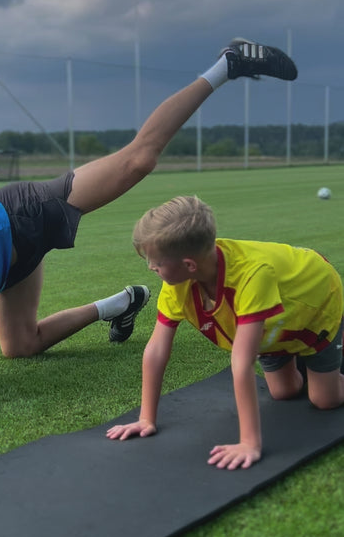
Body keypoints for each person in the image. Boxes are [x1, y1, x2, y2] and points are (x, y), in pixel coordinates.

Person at [0, 38, 297, 417]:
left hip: (25, 215)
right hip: (8, 267)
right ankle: (120, 305)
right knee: (21, 348)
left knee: (138, 160)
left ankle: (227, 65)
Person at [106, 195, 344, 470]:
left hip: (313, 308)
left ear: (189, 265)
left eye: (156, 262)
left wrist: (249, 443)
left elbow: (242, 363)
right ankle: (309, 365)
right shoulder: (179, 282)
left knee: (324, 400)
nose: (151, 267)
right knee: (284, 391)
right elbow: (157, 350)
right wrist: (146, 418)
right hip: (271, 329)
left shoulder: (251, 276)